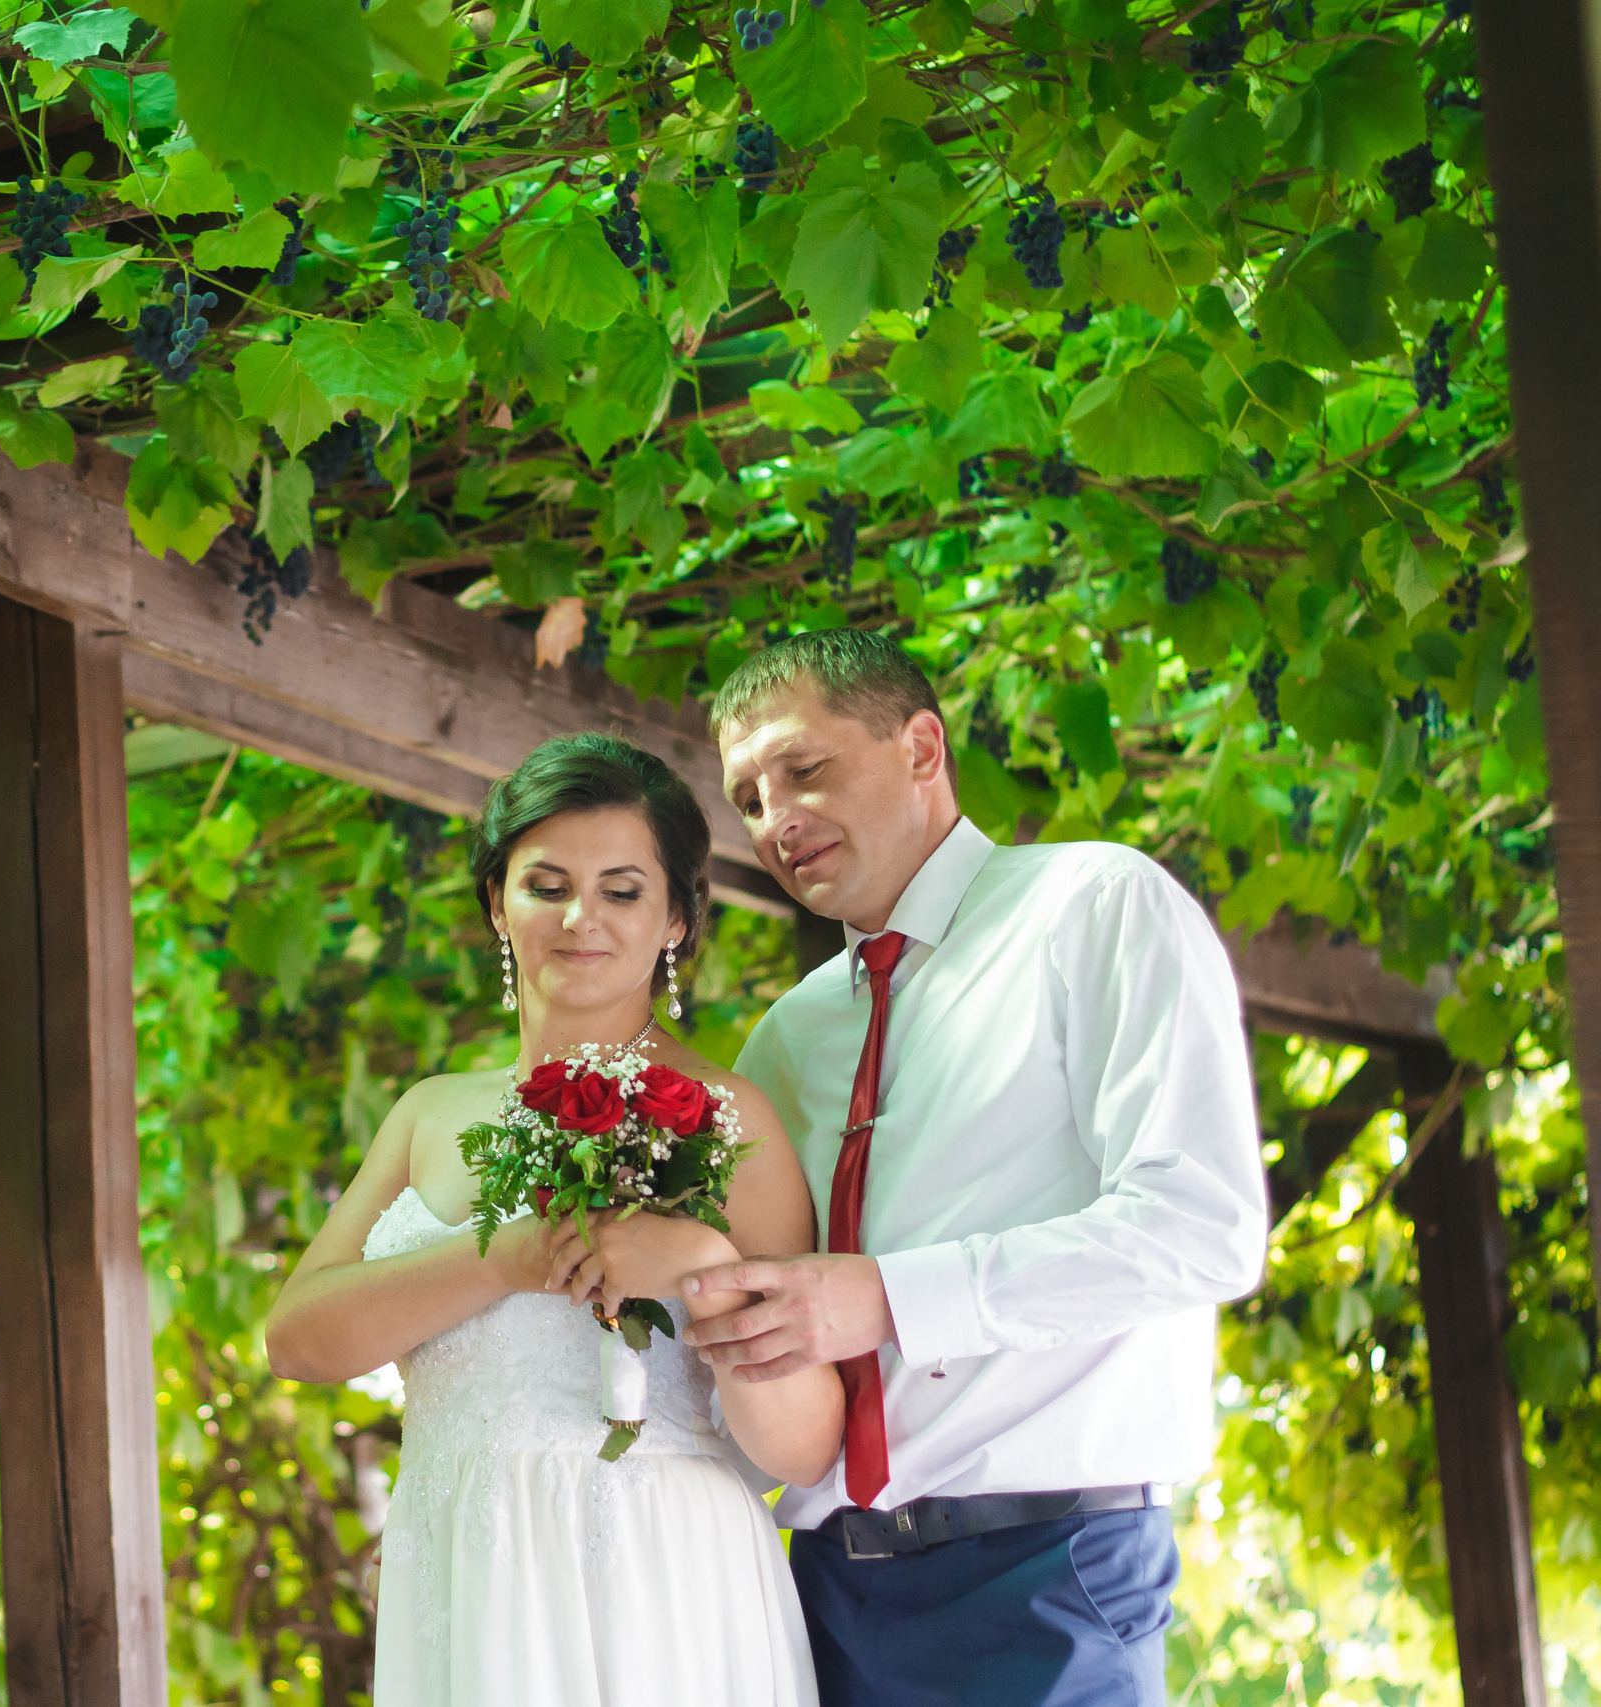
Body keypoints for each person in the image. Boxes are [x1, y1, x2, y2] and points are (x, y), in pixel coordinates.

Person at [678, 628, 1268, 1706]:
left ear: (919, 747)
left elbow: (1202, 1224)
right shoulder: (782, 1043)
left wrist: (889, 1297)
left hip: (1047, 1573)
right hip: (821, 1600)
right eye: (748, 798)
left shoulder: (1095, 906)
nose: (776, 821)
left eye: (803, 769)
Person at [265, 732, 839, 1707]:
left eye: (621, 890)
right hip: (468, 1559)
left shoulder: (731, 1117)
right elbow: (297, 1339)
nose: (581, 918)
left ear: (674, 919)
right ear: (498, 901)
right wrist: (505, 1259)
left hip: (663, 1574)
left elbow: (804, 1445)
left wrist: (702, 1267)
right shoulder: (429, 1112)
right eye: (545, 884)